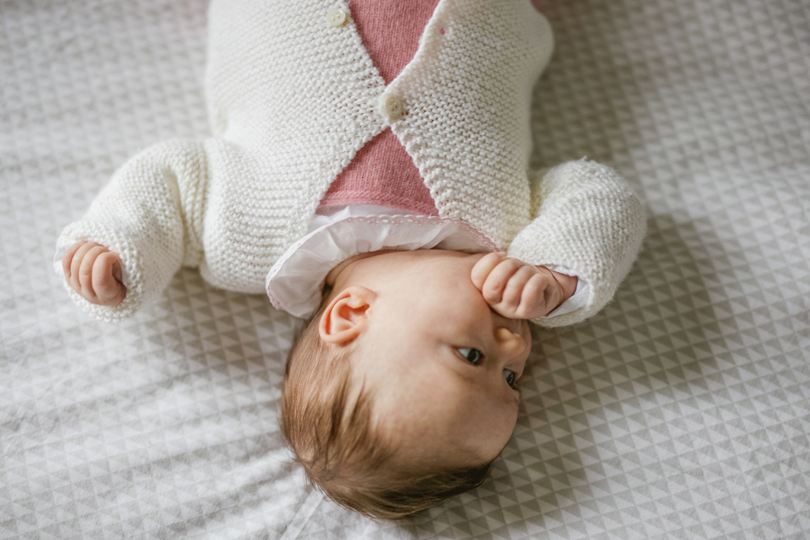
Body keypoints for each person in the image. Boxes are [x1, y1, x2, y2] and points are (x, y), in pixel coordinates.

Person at [55, 0, 646, 519]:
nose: (516, 345)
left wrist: (119, 250)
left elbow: (174, 181)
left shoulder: (248, 239)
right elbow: (600, 194)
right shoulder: (504, 234)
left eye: (474, 357)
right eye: (512, 379)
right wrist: (556, 268)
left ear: (349, 316)